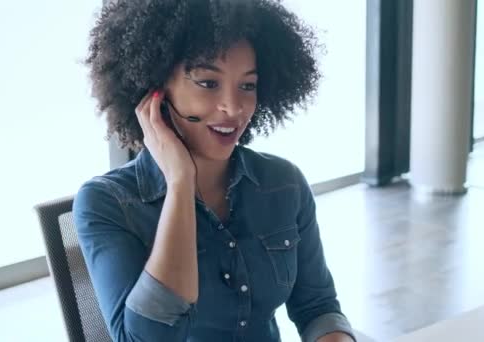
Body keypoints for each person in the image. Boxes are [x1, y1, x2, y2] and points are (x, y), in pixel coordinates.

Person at [73, 0, 356, 341]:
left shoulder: (284, 184)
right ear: (156, 89)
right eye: (208, 83)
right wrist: (180, 184)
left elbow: (317, 306)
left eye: (247, 85)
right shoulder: (106, 203)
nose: (233, 108)